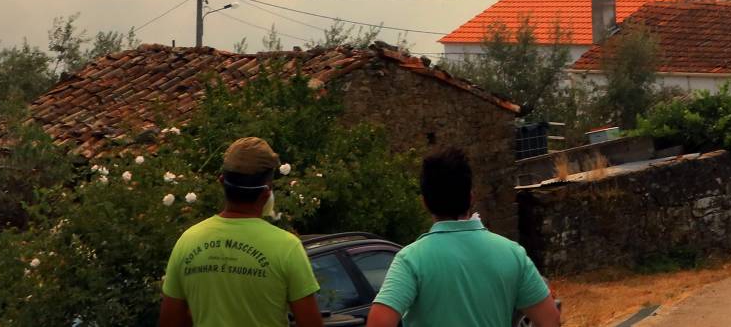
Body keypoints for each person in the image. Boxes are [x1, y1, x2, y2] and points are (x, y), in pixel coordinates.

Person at [367, 148, 561, 327]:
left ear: (424, 202)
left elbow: (379, 322)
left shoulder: (410, 260)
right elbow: (550, 320)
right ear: (471, 197)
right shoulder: (513, 254)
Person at [158, 137, 323, 327]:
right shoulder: (287, 247)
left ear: (222, 182)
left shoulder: (188, 241)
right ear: (267, 191)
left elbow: (170, 321)